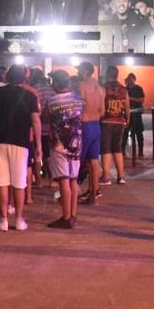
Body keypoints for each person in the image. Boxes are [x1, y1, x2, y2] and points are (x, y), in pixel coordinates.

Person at [0, 63, 40, 232]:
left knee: (1, 183)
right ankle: (20, 219)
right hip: (21, 143)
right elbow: (36, 121)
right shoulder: (29, 96)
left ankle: (3, 220)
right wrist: (38, 146)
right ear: (24, 77)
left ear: (7, 77)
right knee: (19, 183)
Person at [41, 70, 84, 229]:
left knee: (64, 180)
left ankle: (65, 217)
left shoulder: (52, 101)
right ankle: (72, 214)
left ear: (57, 84)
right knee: (73, 179)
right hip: (77, 143)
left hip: (59, 144)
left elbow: (44, 117)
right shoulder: (79, 98)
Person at [76, 61, 106, 199]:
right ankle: (94, 191)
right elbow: (102, 111)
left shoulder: (82, 86)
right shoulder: (100, 88)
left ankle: (73, 189)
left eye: (79, 70)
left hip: (84, 125)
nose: (77, 73)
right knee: (93, 160)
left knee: (80, 160)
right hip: (96, 125)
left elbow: (79, 106)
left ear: (85, 71)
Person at [100, 68, 130, 185]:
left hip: (107, 121)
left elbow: (101, 104)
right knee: (117, 149)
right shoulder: (123, 89)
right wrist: (127, 120)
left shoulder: (104, 88)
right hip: (120, 121)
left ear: (108, 74)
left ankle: (106, 177)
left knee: (106, 149)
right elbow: (127, 106)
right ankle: (121, 176)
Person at [125, 73, 146, 160]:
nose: (130, 81)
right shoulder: (124, 89)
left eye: (131, 79)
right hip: (126, 114)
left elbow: (142, 99)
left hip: (137, 114)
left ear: (134, 79)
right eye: (128, 79)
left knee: (139, 133)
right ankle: (122, 150)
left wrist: (130, 98)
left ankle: (140, 151)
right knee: (125, 133)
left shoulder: (138, 89)